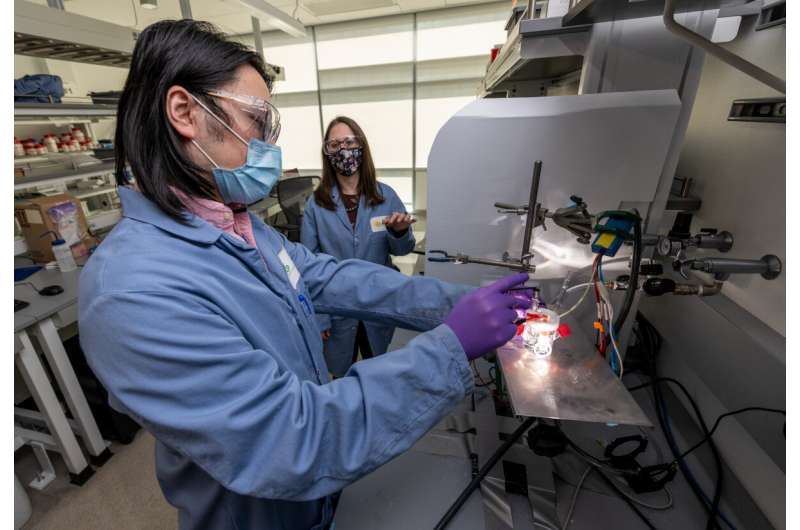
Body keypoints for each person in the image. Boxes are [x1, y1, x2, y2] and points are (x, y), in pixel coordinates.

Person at [78, 20, 531, 530]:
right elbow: (296, 436)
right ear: (185, 112)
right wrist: (452, 346)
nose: (269, 145)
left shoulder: (238, 225)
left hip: (317, 500)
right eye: (258, 121)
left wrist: (458, 304)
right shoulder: (133, 290)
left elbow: (336, 277)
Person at [302, 116, 416, 377]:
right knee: (342, 377)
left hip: (379, 302)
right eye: (335, 144)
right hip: (336, 308)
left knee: (379, 371)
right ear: (327, 152)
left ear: (361, 146)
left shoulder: (386, 196)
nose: (343, 150)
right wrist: (319, 317)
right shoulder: (316, 204)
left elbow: (403, 250)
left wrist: (399, 233)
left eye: (349, 142)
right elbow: (306, 266)